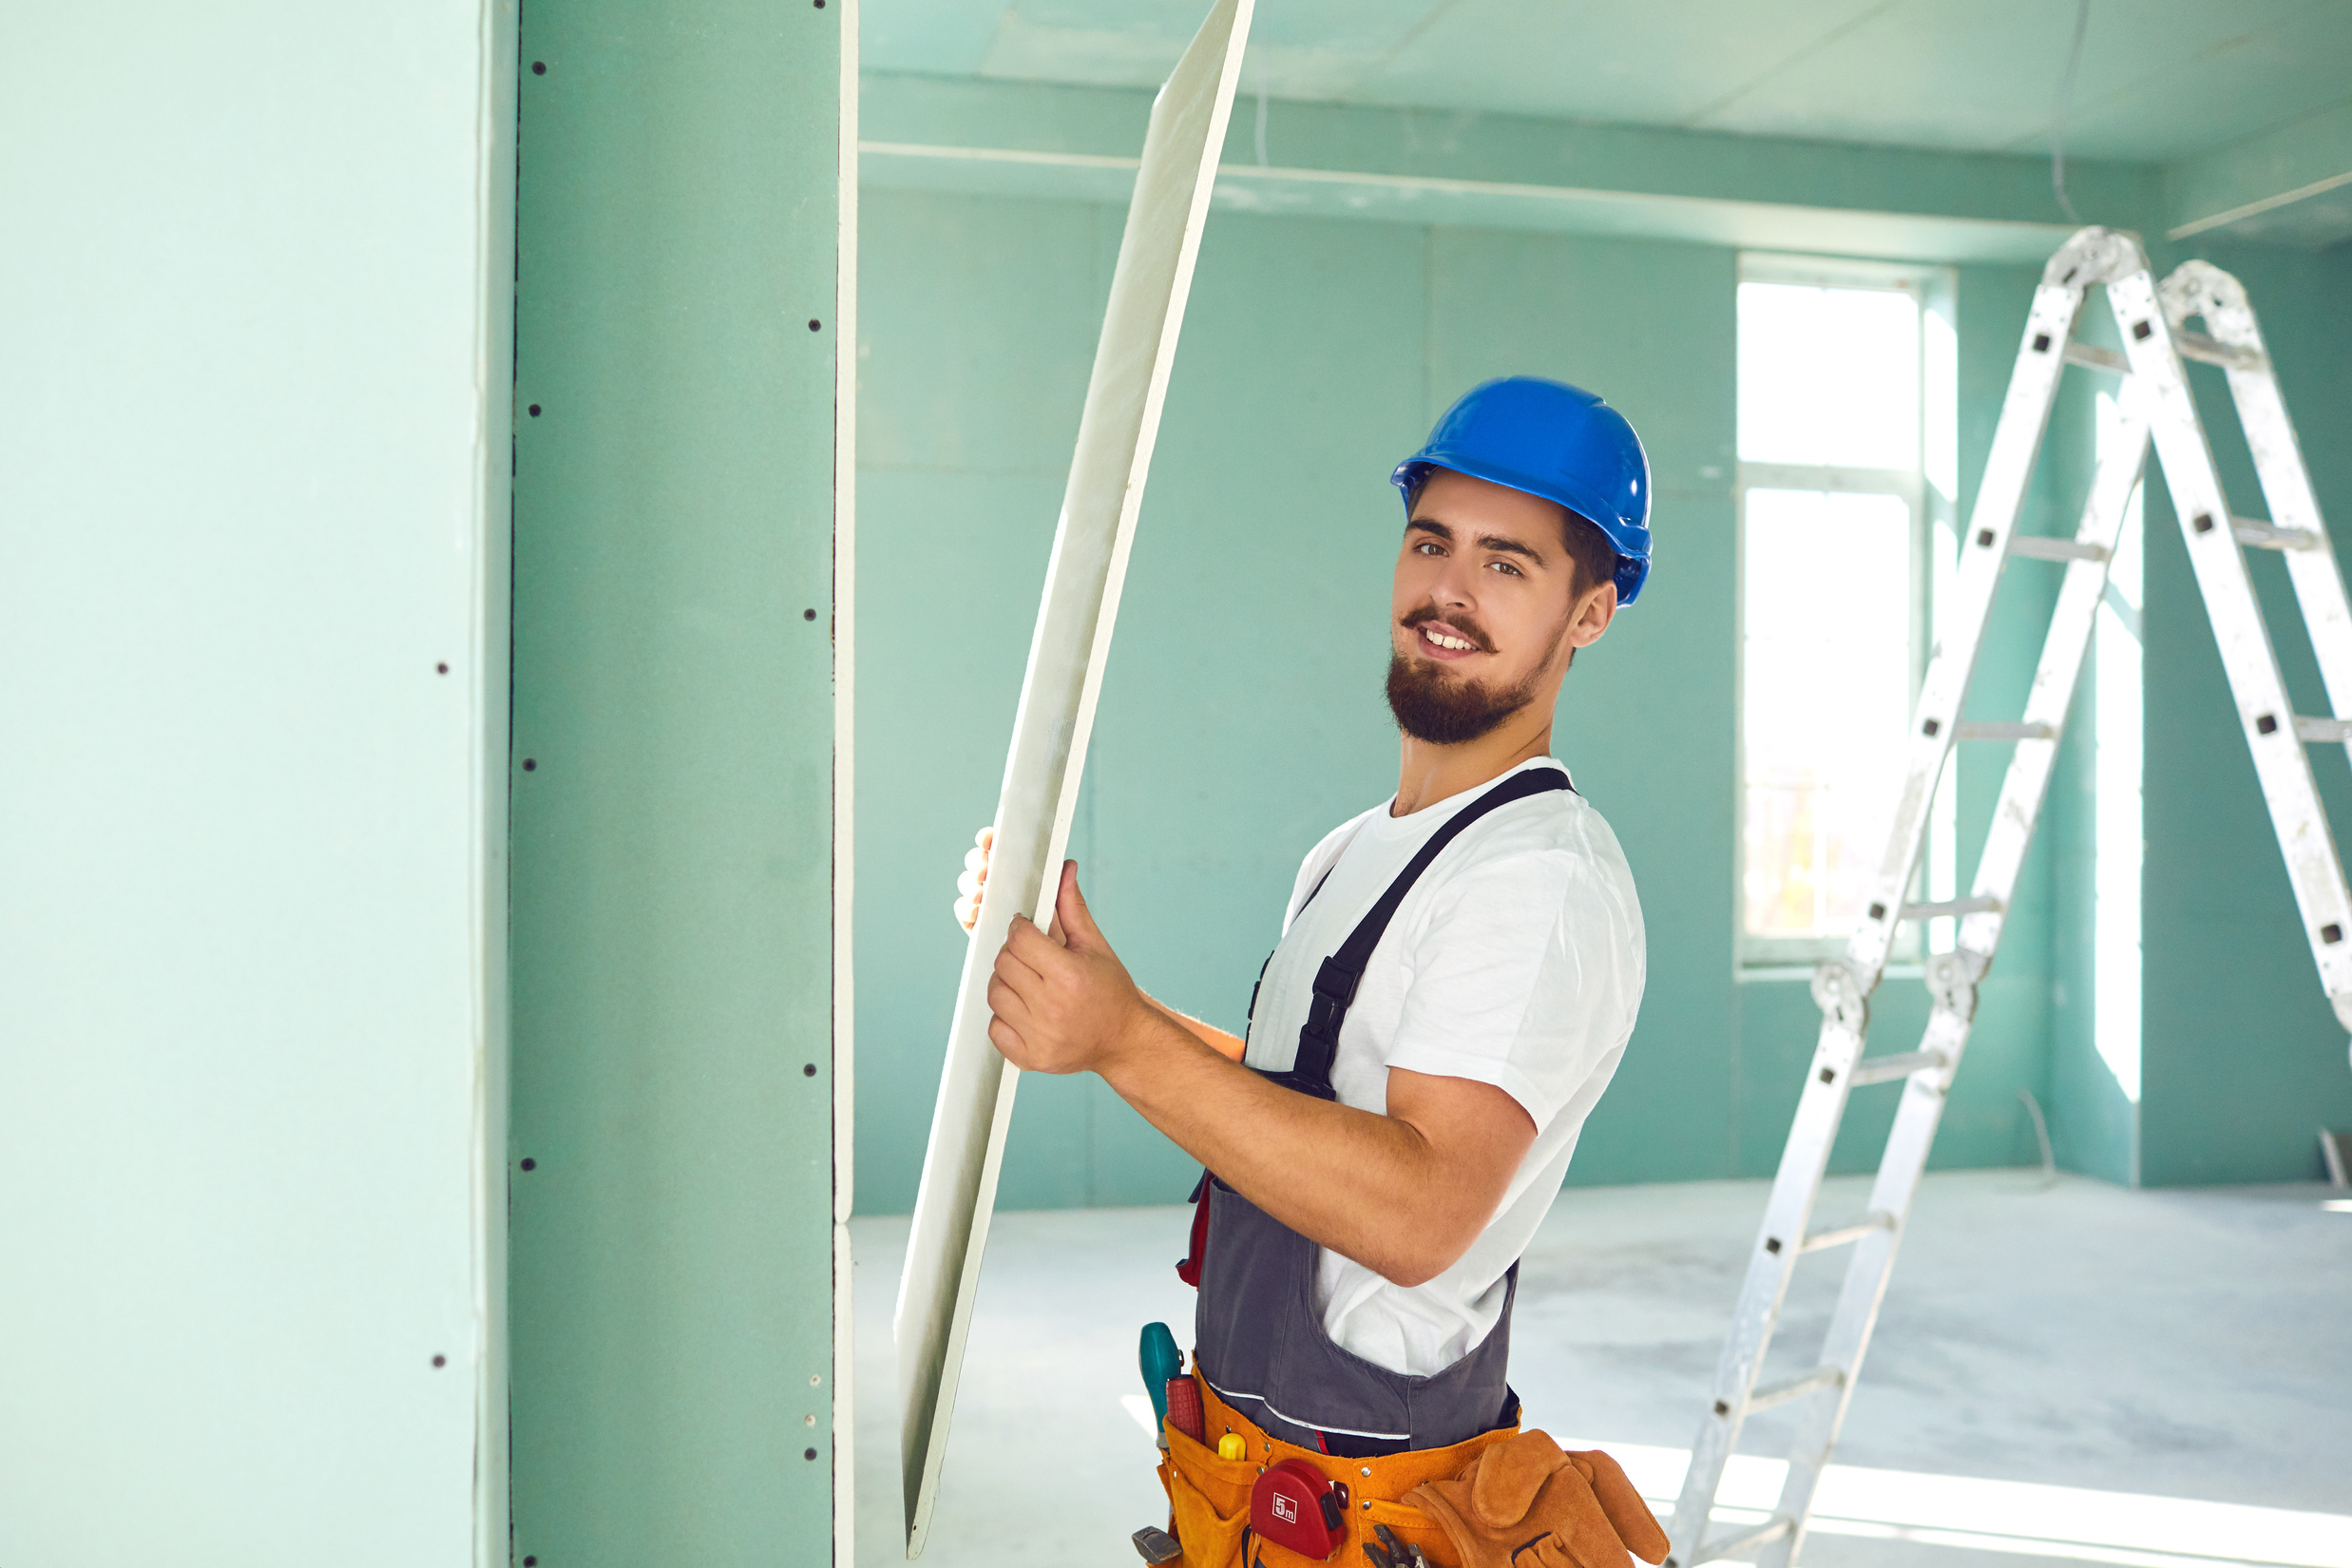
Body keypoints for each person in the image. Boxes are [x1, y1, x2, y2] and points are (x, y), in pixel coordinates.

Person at [960, 376, 1665, 1568]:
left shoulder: (1539, 881)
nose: (1448, 590)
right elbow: (1310, 1108)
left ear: (1587, 616)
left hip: (1371, 1507)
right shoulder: (1353, 848)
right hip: (1251, 1488)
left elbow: (1418, 1209)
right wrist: (1101, 997)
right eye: (1431, 542)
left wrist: (1121, 1041)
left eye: (1509, 565)